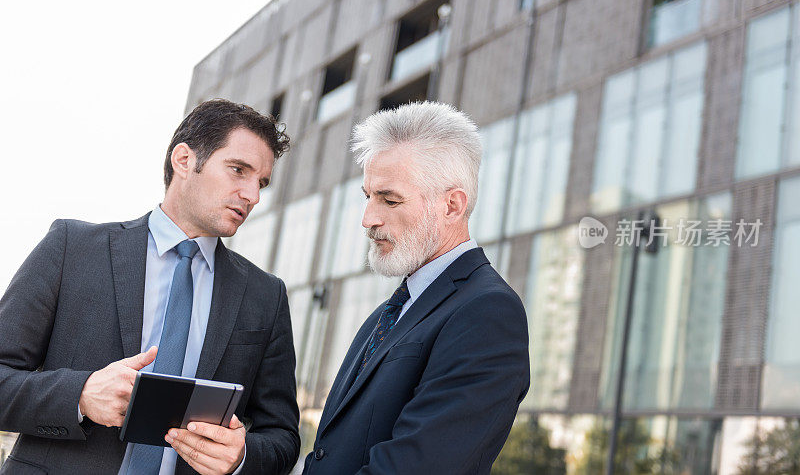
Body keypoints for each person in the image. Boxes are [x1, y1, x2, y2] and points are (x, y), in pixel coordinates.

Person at [0, 99, 300, 475]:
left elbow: (283, 436)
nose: (253, 196)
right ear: (184, 160)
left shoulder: (265, 296)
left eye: (262, 183)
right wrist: (79, 396)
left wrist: (241, 457)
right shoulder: (71, 248)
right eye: (238, 170)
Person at [303, 102, 530, 474]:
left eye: (389, 200)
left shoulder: (488, 312)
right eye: (368, 196)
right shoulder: (392, 311)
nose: (368, 219)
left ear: (452, 206)